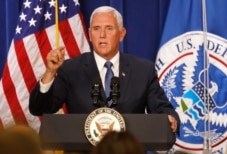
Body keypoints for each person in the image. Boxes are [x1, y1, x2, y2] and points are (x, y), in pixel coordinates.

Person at [29, 6, 180, 133]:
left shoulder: (143, 70)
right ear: (89, 34)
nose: (102, 35)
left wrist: (169, 117)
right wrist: (49, 72)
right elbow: (39, 108)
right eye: (96, 29)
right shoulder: (70, 69)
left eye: (109, 28)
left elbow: (163, 109)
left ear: (121, 34)